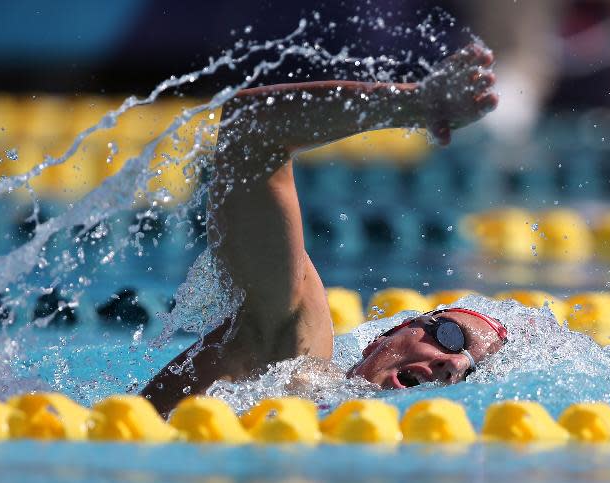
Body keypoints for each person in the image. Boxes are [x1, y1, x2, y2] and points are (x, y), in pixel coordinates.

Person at [142, 42, 505, 416]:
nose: (454, 365)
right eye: (450, 336)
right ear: (383, 337)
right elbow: (251, 131)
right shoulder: (292, 357)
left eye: (470, 373)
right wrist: (410, 105)